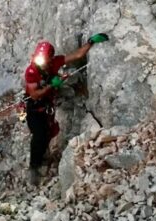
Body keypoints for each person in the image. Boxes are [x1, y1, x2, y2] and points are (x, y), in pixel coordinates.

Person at [24, 33, 109, 185]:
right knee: (38, 136)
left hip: (48, 107)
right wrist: (52, 85)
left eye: (44, 60)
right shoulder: (32, 71)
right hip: (35, 108)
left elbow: (77, 55)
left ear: (50, 58)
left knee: (48, 133)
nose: (41, 63)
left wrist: (90, 42)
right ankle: (33, 168)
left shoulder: (55, 62)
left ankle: (43, 157)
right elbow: (35, 95)